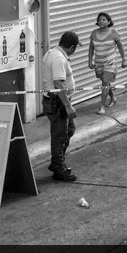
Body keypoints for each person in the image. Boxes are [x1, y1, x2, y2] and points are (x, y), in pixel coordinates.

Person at [42, 31, 81, 182]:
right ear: (72, 47)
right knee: (59, 137)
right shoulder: (59, 58)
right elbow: (58, 84)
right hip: (58, 103)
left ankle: (57, 162)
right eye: (76, 48)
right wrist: (68, 106)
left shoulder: (52, 52)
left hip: (58, 101)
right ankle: (58, 168)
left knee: (69, 130)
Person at [88, 12, 126, 115]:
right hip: (99, 62)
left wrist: (124, 59)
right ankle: (113, 97)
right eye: (99, 20)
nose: (101, 21)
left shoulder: (114, 32)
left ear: (109, 22)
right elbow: (91, 48)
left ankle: (101, 106)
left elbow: (120, 47)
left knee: (105, 81)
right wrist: (89, 60)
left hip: (111, 62)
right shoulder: (94, 33)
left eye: (104, 20)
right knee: (106, 82)